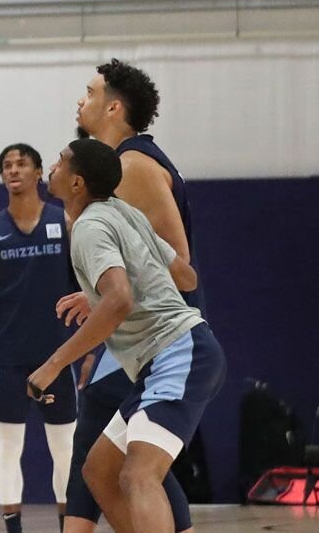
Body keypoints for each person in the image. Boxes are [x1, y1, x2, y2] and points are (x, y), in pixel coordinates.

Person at [28, 139, 222, 533]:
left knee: (138, 475)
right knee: (99, 470)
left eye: (61, 161)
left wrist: (52, 365)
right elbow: (186, 276)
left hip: (178, 353)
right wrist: (98, 291)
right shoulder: (122, 212)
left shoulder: (88, 227)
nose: (52, 166)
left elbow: (119, 301)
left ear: (78, 182)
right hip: (167, 356)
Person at [64, 60, 200, 533]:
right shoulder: (119, 165)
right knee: (105, 463)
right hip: (140, 333)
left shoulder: (133, 165)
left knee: (127, 463)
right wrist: (98, 295)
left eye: (89, 91)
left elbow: (181, 269)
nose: (79, 101)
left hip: (165, 339)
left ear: (113, 106)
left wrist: (111, 294)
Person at [0, 144, 77, 533]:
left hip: (57, 358)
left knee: (65, 449)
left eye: (22, 164)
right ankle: (13, 527)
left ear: (39, 172)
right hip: (10, 359)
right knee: (9, 447)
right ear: (1, 177)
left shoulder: (67, 224)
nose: (14, 170)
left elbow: (91, 294)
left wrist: (91, 350)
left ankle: (68, 526)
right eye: (7, 166)